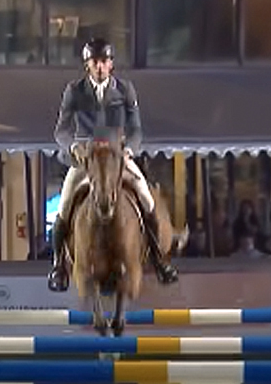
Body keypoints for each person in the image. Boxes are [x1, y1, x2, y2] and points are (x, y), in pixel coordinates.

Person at [47, 37, 178, 292]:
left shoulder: (125, 89)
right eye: (94, 62)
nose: (99, 66)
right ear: (87, 65)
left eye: (104, 61)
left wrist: (129, 150)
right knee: (63, 206)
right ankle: (58, 265)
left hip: (117, 157)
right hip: (86, 160)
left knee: (146, 197)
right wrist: (73, 147)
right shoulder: (74, 90)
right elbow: (61, 130)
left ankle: (158, 259)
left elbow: (136, 129)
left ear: (111, 64)